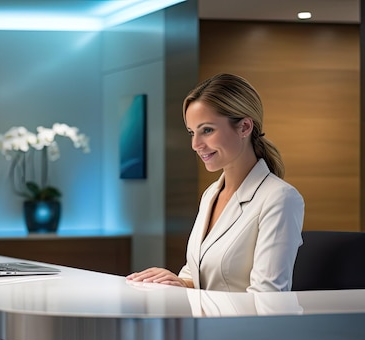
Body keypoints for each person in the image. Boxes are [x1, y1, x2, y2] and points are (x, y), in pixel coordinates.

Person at [127, 73, 304, 292]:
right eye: (192, 132)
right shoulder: (211, 194)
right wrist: (181, 282)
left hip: (240, 326)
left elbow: (266, 297)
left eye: (207, 130)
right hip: (204, 323)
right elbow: (200, 273)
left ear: (245, 127)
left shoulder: (280, 198)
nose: (195, 144)